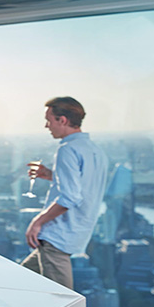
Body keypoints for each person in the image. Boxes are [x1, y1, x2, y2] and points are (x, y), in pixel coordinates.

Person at [21, 96, 108, 290]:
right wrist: (51, 175)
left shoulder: (67, 150)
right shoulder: (95, 151)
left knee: (61, 303)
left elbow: (70, 197)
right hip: (76, 231)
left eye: (49, 120)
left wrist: (38, 222)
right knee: (21, 279)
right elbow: (83, 186)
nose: (46, 126)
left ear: (63, 120)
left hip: (57, 236)